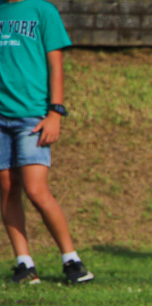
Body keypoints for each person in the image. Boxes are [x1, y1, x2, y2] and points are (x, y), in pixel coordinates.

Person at [0, 0, 93, 284]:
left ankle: (72, 261)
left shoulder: (43, 10)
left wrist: (56, 111)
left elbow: (56, 65)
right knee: (5, 188)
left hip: (34, 117)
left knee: (35, 188)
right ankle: (25, 265)